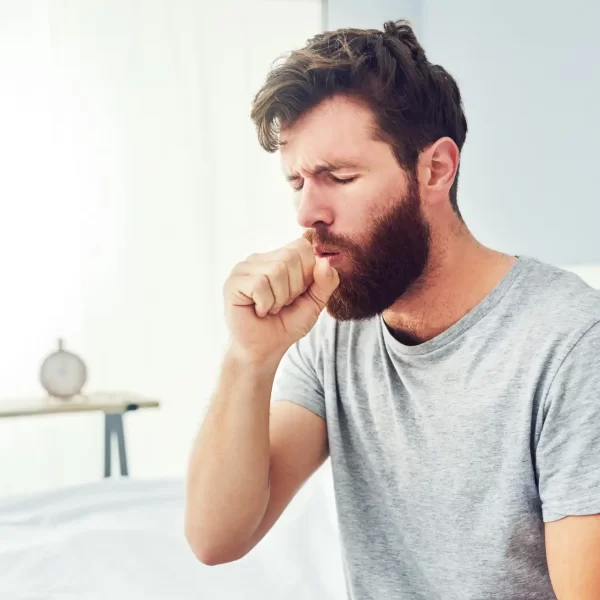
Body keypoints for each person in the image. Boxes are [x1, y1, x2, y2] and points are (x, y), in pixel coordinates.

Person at [185, 19, 600, 600]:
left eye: (339, 176)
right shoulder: (332, 331)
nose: (308, 212)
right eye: (297, 181)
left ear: (435, 169)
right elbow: (215, 538)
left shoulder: (572, 342)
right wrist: (249, 358)